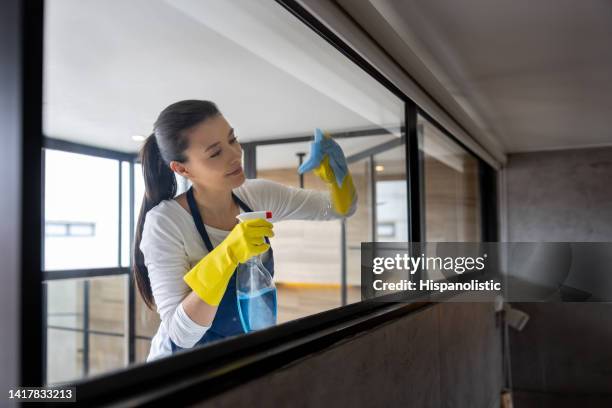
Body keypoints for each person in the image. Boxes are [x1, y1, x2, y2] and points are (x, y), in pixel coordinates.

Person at [134, 100, 357, 361]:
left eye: (233, 139)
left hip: (241, 353)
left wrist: (337, 177)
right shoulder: (165, 222)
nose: (234, 154)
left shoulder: (256, 195)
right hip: (180, 368)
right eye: (215, 153)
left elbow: (338, 209)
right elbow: (181, 334)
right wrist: (227, 254)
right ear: (182, 168)